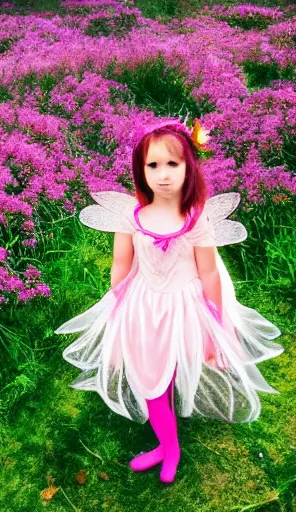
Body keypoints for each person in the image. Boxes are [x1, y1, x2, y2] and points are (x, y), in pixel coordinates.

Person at [54, 120, 284, 484]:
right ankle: (168, 446)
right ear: (140, 170)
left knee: (172, 368)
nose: (162, 175)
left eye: (172, 164)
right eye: (153, 165)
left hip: (184, 308)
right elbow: (120, 266)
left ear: (189, 167)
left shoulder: (195, 219)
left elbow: (208, 274)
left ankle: (168, 441)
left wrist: (215, 326)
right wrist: (117, 310)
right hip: (143, 306)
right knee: (150, 379)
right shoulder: (130, 217)